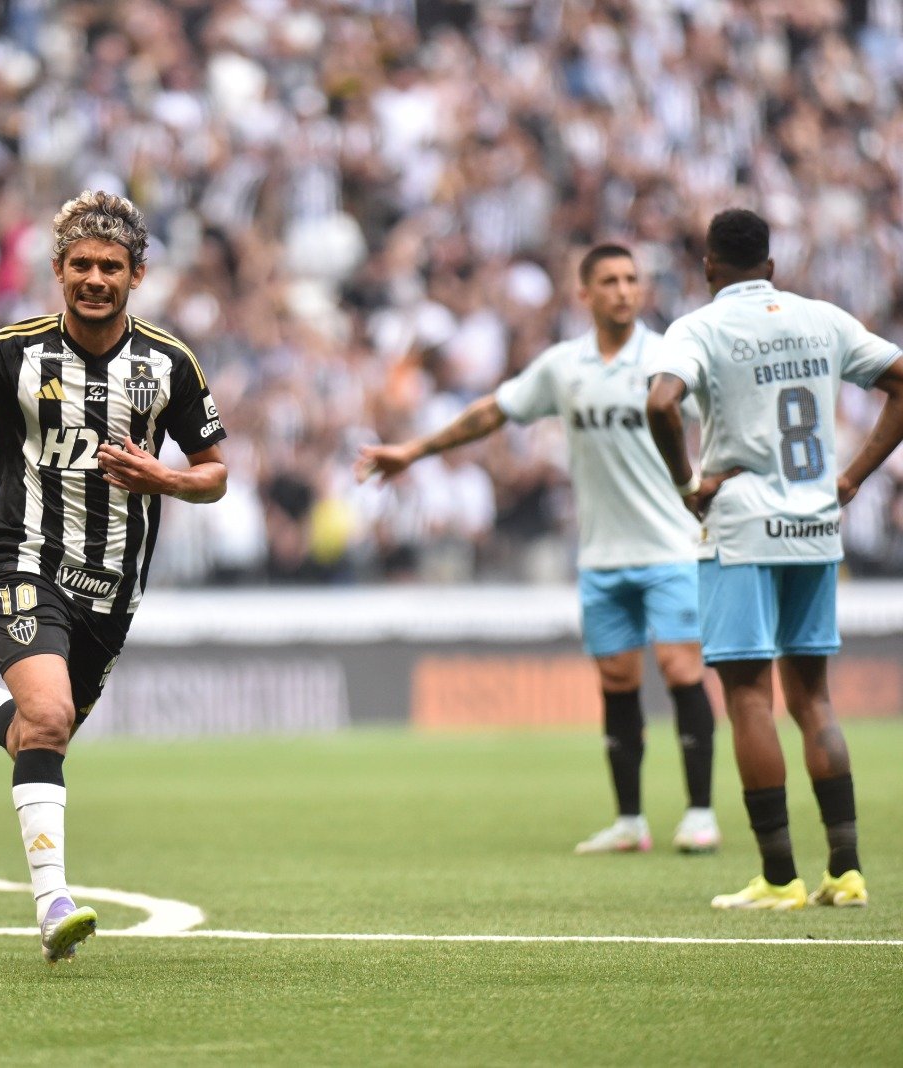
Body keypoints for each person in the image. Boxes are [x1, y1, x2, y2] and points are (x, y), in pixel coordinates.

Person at [0, 191, 228, 962]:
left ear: (137, 274)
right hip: (21, 555)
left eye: (109, 267)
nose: (94, 279)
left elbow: (216, 475)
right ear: (57, 270)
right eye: (80, 265)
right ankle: (52, 905)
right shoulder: (16, 348)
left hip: (112, 585)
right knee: (51, 721)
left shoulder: (169, 365)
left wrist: (161, 480)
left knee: (42, 732)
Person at [357, 246, 721, 855]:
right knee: (617, 681)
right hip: (602, 555)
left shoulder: (667, 356)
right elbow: (492, 413)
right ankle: (630, 821)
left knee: (682, 670)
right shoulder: (564, 366)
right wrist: (413, 451)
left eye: (632, 280)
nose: (624, 291)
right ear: (584, 294)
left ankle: (701, 812)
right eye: (609, 281)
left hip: (671, 548)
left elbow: (722, 415)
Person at [647, 208, 903, 910]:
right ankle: (846, 870)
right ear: (771, 264)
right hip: (815, 527)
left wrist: (685, 487)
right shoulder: (822, 318)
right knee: (813, 697)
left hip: (741, 528)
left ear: (707, 266)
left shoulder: (698, 327)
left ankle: (780, 877)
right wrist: (850, 479)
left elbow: (661, 403)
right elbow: (901, 379)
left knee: (749, 697)